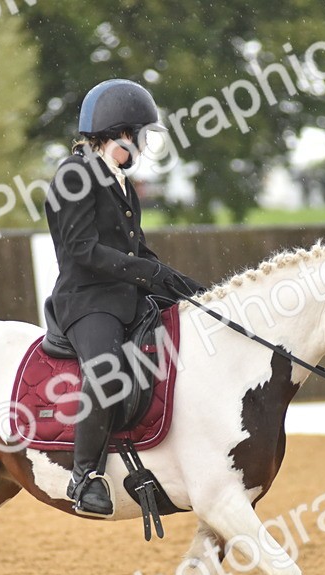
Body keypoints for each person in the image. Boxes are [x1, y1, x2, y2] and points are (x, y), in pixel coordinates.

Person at [44, 78, 205, 518]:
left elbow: (138, 253)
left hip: (125, 296)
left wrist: (188, 288)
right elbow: (82, 250)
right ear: (120, 133)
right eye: (141, 136)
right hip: (87, 301)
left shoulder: (120, 183)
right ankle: (85, 478)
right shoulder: (74, 175)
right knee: (106, 372)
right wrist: (146, 273)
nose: (145, 147)